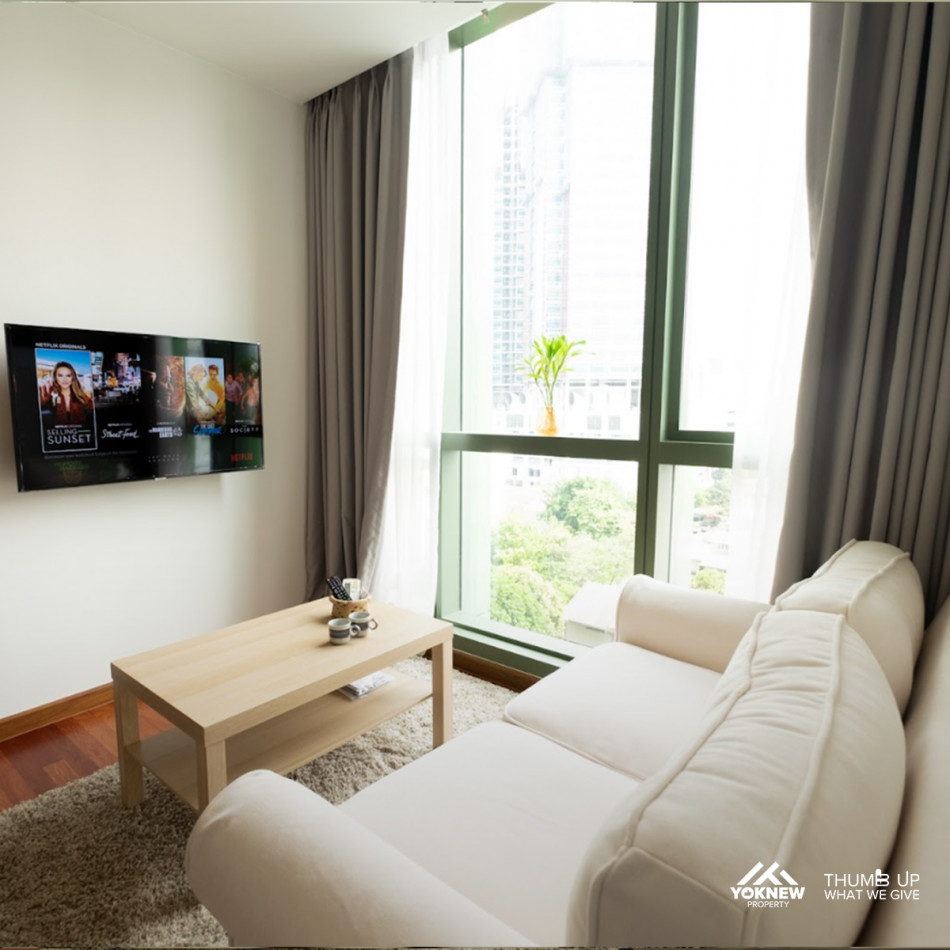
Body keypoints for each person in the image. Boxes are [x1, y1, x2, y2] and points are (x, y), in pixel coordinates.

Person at [39, 361, 93, 426]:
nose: (65, 379)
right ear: (55, 378)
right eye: (60, 375)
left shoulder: (80, 396)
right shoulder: (49, 396)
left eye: (68, 375)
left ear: (72, 378)